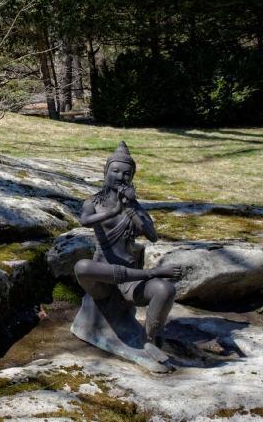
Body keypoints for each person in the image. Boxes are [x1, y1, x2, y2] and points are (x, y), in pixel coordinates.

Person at [74, 141, 183, 360]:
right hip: (102, 277)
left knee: (165, 289)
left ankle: (149, 339)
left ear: (132, 178)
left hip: (129, 281)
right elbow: (84, 220)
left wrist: (131, 209)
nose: (120, 177)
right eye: (115, 171)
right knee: (82, 267)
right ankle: (151, 274)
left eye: (126, 173)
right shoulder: (93, 202)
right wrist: (114, 210)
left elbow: (152, 235)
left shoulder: (134, 206)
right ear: (106, 172)